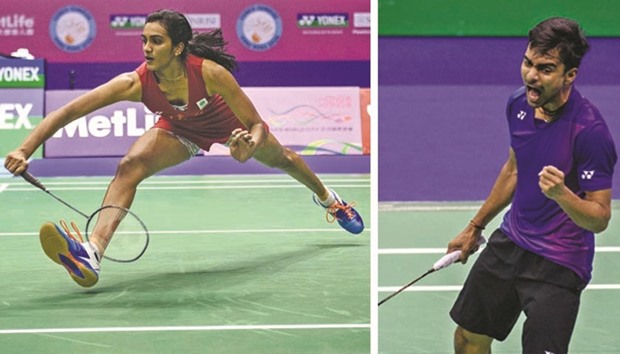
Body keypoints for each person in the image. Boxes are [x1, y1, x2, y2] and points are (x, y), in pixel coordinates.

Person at [3, 9, 364, 288]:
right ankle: (93, 253)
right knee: (130, 165)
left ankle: (331, 200)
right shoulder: (135, 81)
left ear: (177, 47)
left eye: (156, 41)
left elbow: (255, 123)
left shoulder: (209, 73)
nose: (147, 48)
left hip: (232, 128)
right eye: (144, 40)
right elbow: (69, 111)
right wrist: (25, 149)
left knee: (284, 159)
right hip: (179, 130)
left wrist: (248, 147)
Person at [446, 17, 617, 354]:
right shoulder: (519, 105)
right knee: (468, 338)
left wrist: (562, 195)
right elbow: (513, 170)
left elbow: (599, 218)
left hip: (561, 260)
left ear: (570, 75)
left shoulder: (590, 132)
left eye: (546, 68)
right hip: (512, 242)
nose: (531, 75)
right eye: (528, 63)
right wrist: (475, 225)